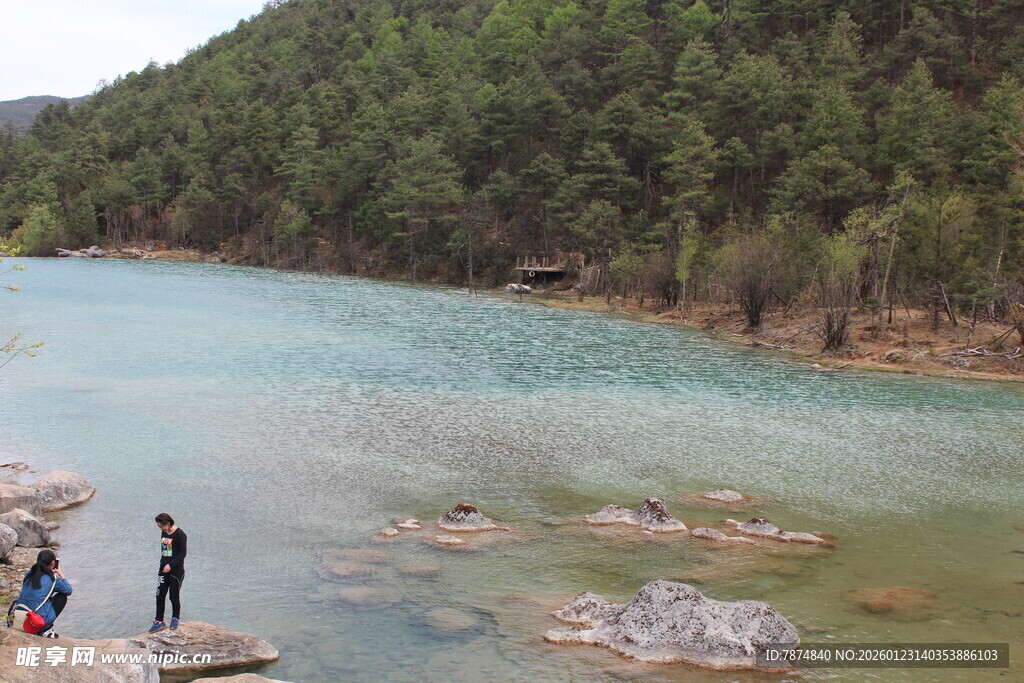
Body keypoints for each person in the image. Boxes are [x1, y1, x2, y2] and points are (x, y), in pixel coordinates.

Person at [15, 549, 72, 638]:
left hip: (21, 618)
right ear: (53, 563)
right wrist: (61, 574)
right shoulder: (52, 578)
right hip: (36, 621)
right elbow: (68, 590)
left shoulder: (28, 574)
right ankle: (45, 629)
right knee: (62, 596)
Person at [150, 512, 187, 633]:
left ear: (168, 523)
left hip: (176, 570)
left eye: (162, 526)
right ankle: (159, 620)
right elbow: (164, 550)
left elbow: (183, 554)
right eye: (159, 527)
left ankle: (175, 618)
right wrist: (163, 565)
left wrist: (170, 565)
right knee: (159, 594)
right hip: (163, 568)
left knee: (173, 596)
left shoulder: (180, 534)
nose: (161, 529)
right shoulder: (164, 532)